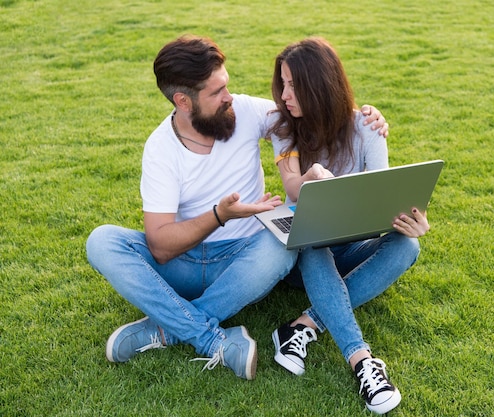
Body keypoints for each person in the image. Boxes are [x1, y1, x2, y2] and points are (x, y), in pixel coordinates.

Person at [85, 35, 388, 381]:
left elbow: (306, 107)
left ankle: (167, 328)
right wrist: (219, 216)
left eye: (225, 85)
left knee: (286, 237)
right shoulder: (160, 150)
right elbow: (160, 246)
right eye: (216, 93)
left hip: (248, 259)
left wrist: (366, 116)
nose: (229, 96)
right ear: (184, 101)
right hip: (185, 263)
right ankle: (210, 337)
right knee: (102, 241)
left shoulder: (245, 111)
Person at [267, 37, 431, 413]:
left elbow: (383, 198)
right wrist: (312, 177)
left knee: (408, 246)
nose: (285, 95)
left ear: (320, 85)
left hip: (353, 249)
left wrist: (411, 221)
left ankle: (302, 325)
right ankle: (362, 361)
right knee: (312, 239)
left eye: (294, 85)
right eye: (283, 83)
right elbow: (292, 185)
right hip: (304, 259)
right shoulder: (284, 127)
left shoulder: (367, 128)